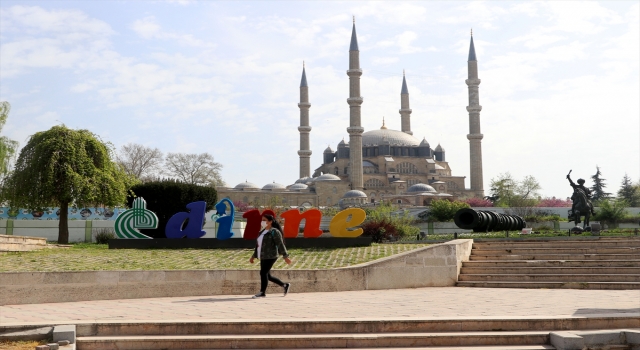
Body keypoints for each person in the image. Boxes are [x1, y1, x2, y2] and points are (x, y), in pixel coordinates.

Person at [249, 213, 292, 298]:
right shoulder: (262, 232)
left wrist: (285, 256)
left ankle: (262, 292)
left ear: (270, 221)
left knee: (263, 272)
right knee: (268, 275)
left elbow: (280, 244)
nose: (262, 222)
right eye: (262, 220)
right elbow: (258, 245)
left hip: (271, 255)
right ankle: (284, 285)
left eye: (264, 220)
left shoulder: (274, 232)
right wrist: (253, 256)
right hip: (263, 256)